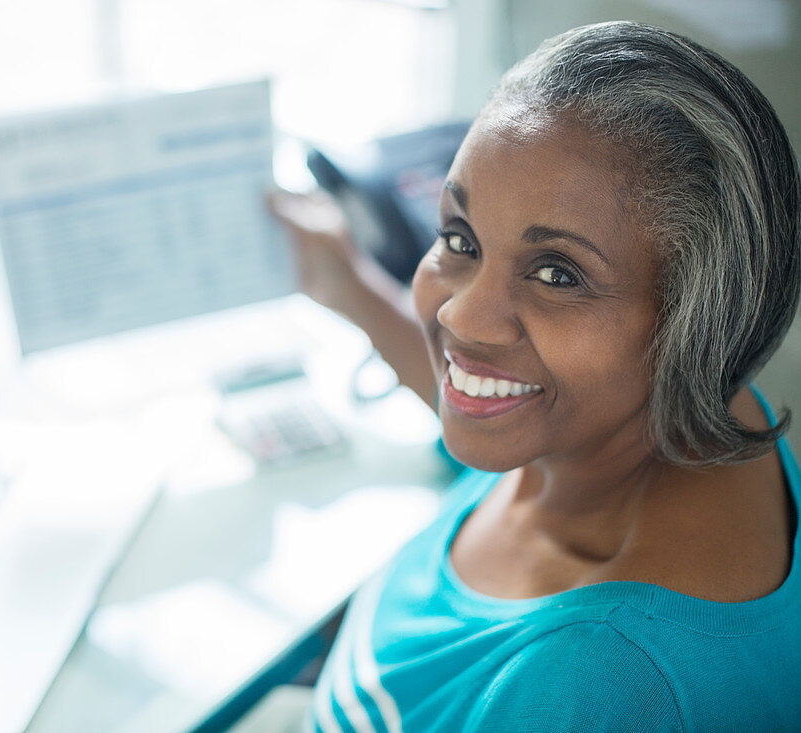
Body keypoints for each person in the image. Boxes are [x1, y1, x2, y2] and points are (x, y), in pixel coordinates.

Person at [268, 20, 801, 731]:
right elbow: (482, 393)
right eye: (459, 238)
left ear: (699, 324)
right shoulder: (698, 411)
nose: (462, 316)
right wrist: (353, 290)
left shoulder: (588, 683)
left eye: (558, 273)